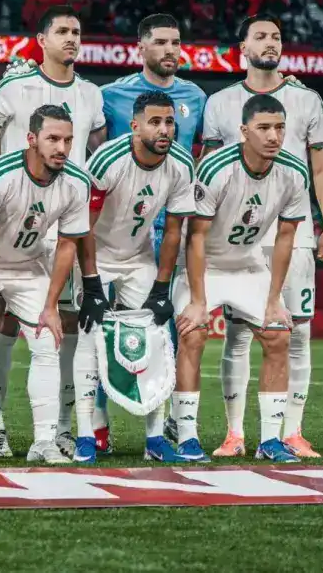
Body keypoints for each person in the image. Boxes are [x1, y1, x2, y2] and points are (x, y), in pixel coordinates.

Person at [0, 5, 106, 459]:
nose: (71, 38)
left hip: (65, 216)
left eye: (76, 31)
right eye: (62, 31)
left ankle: (61, 429)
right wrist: (12, 166)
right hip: (12, 214)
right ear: (42, 39)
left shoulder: (90, 93)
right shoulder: (16, 84)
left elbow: (94, 151)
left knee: (61, 324)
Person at [201, 13, 323, 458]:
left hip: (292, 230)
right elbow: (211, 172)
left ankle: (291, 432)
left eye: (276, 36)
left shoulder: (306, 99)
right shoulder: (220, 103)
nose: (270, 42)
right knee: (238, 334)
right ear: (242, 46)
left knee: (297, 331)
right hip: (240, 234)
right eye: (260, 36)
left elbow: (321, 167)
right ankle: (235, 433)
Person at [92, 13, 207, 453]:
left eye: (176, 42)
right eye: (160, 42)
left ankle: (172, 425)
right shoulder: (111, 95)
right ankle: (95, 424)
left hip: (172, 227)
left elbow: (193, 160)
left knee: (170, 330)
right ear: (141, 47)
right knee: (103, 328)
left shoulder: (196, 97)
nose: (170, 50)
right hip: (118, 230)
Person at [172, 94, 309, 463]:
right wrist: (199, 302)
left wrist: (273, 298)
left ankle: (270, 441)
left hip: (248, 264)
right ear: (244, 131)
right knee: (193, 333)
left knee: (279, 334)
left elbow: (284, 238)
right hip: (204, 266)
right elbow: (195, 237)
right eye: (264, 128)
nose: (273, 136)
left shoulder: (295, 172)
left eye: (279, 127)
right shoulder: (216, 168)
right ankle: (186, 435)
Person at [0, 104, 90, 465]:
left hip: (28, 264)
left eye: (68, 140)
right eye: (53, 139)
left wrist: (51, 307)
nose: (62, 147)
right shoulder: (0, 172)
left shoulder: (76, 182)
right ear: (31, 139)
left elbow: (66, 246)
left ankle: (43, 442)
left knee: (48, 342)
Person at [74, 91, 196, 463]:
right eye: (155, 122)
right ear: (135, 125)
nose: (164, 129)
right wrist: (93, 284)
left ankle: (155, 440)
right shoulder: (108, 159)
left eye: (170, 122)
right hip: (96, 254)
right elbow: (84, 226)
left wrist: (163, 287)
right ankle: (85, 433)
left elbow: (174, 230)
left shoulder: (181, 163)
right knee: (88, 337)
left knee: (157, 337)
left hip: (139, 257)